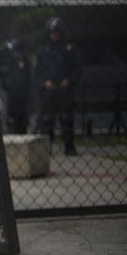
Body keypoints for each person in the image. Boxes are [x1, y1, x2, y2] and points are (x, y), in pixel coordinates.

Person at [34, 17, 82, 155]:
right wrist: (44, 82)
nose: (54, 34)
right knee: (47, 119)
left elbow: (77, 68)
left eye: (57, 32)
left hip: (64, 88)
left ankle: (69, 147)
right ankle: (46, 149)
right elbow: (37, 71)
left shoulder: (69, 49)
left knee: (66, 118)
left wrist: (69, 80)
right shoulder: (43, 51)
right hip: (49, 89)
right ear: (48, 33)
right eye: (52, 32)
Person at [0, 38, 32, 134]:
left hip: (17, 93)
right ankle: (15, 131)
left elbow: (21, 77)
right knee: (14, 117)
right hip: (13, 93)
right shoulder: (11, 61)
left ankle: (17, 131)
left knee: (16, 116)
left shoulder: (19, 59)